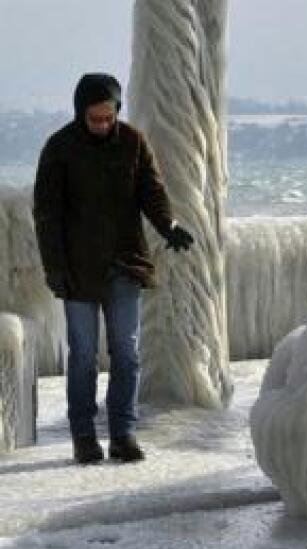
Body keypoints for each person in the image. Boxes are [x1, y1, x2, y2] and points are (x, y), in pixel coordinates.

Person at [33, 73, 194, 465]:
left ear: (117, 111)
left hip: (125, 262)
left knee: (127, 351)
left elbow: (152, 193)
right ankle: (84, 436)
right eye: (95, 119)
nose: (103, 126)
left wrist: (168, 226)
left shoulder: (134, 143)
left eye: (109, 118)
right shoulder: (60, 148)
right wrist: (55, 269)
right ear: (80, 113)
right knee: (83, 354)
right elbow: (46, 215)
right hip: (77, 268)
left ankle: (123, 432)